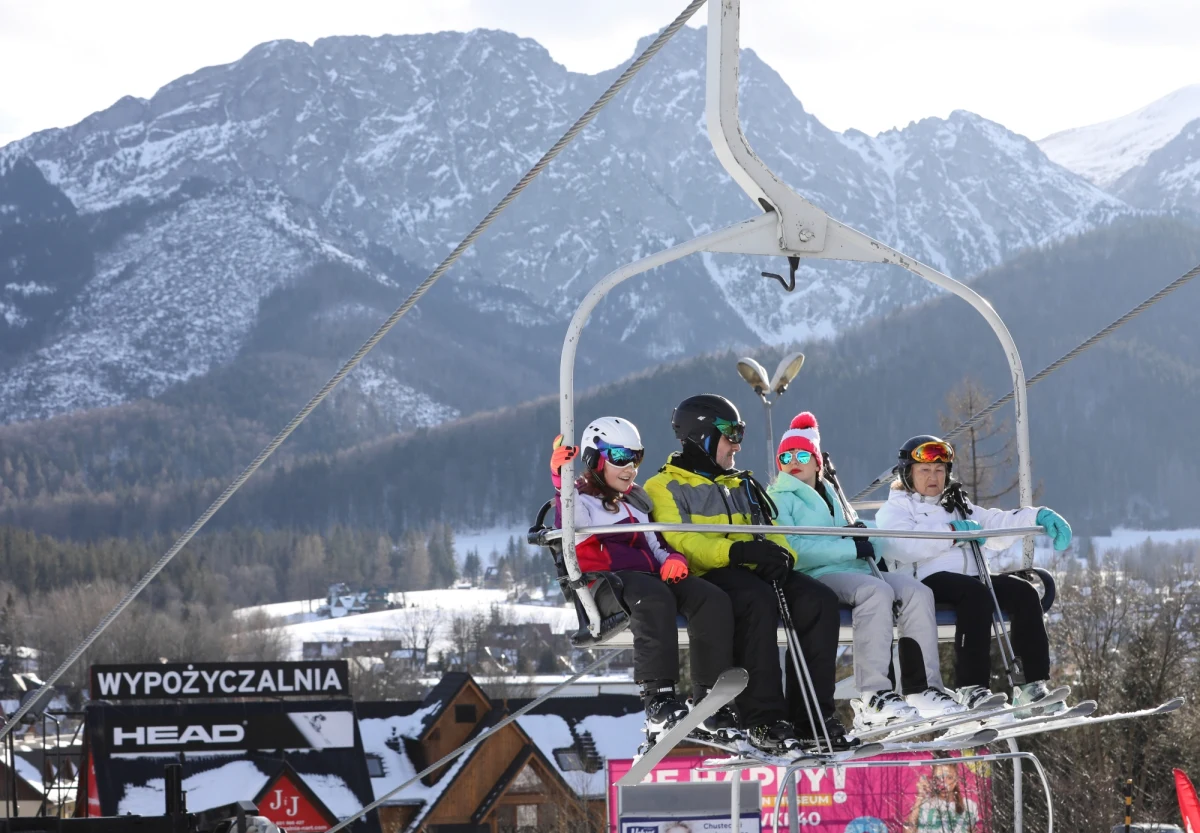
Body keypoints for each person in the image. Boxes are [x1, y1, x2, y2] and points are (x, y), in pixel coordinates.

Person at [644, 394, 855, 754]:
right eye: (730, 434)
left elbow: (771, 528)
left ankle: (812, 718)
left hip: (752, 568)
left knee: (818, 601)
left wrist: (780, 555)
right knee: (756, 601)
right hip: (709, 574)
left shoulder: (740, 482)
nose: (737, 445)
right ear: (702, 435)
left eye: (739, 434)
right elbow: (682, 542)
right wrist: (737, 552)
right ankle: (764, 719)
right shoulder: (663, 486)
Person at [550, 416, 742, 752]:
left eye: (635, 457)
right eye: (620, 459)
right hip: (603, 586)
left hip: (647, 581)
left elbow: (654, 542)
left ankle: (710, 700)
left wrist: (671, 559)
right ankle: (658, 702)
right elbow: (570, 520)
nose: (630, 468)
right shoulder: (579, 499)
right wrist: (560, 478)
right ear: (596, 460)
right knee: (653, 598)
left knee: (711, 598)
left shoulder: (636, 501)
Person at [767, 412, 965, 729]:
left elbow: (858, 536)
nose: (793, 461)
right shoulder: (779, 498)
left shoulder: (830, 494)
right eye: (785, 456)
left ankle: (922, 687)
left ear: (817, 462)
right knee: (876, 591)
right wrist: (851, 547)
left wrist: (867, 536)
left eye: (802, 454)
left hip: (852, 568)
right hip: (816, 576)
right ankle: (874, 694)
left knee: (916, 592)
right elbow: (794, 549)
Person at [875, 435, 1074, 715]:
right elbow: (903, 545)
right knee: (975, 594)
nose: (933, 477)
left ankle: (1032, 687)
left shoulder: (955, 503)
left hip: (971, 580)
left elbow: (994, 523)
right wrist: (954, 534)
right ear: (908, 474)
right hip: (926, 580)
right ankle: (972, 687)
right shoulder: (896, 509)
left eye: (939, 470)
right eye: (925, 471)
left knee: (1024, 592)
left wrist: (1036, 516)